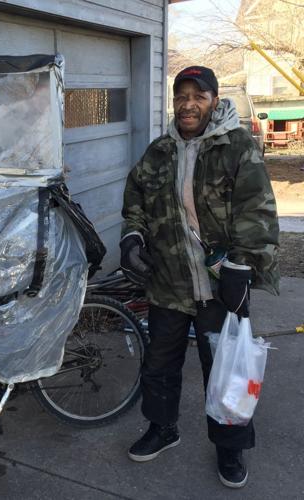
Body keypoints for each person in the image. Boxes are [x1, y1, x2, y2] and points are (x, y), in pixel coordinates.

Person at [119, 66, 279, 489]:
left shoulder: (237, 147)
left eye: (198, 95)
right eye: (181, 96)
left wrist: (241, 268)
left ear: (213, 99)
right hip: (168, 282)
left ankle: (230, 447)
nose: (188, 104)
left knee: (226, 370)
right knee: (159, 364)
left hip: (219, 283)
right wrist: (132, 238)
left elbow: (256, 210)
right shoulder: (159, 152)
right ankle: (163, 428)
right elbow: (135, 195)